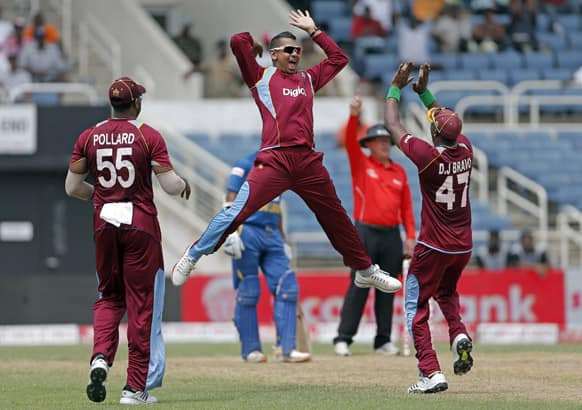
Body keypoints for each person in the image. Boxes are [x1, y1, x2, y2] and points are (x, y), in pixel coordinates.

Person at [171, 10, 402, 332]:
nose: (295, 54)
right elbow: (237, 41)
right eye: (288, 50)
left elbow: (339, 58)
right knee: (238, 211)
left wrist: (315, 31)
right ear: (275, 55)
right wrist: (254, 46)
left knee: (335, 216)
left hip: (307, 162)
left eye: (297, 50)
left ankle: (364, 269)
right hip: (275, 160)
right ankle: (194, 253)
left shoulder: (308, 79)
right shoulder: (261, 77)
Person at [65, 77, 191, 405]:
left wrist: (104, 198)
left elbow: (72, 187)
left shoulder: (88, 136)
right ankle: (134, 388)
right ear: (136, 103)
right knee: (141, 307)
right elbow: (169, 186)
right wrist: (184, 185)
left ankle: (100, 359)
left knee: (108, 296)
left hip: (104, 221)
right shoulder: (147, 135)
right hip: (140, 224)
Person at [384, 62, 474, 394]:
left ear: (434, 133)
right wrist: (423, 92)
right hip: (462, 246)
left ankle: (430, 371)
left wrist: (395, 87)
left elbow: (392, 124)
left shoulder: (427, 156)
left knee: (416, 306)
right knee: (447, 293)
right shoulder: (465, 148)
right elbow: (444, 120)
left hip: (433, 246)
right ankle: (458, 332)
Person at [333, 94, 416, 357]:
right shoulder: (361, 164)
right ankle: (343, 338)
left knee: (388, 289)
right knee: (358, 286)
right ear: (369, 144)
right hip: (365, 233)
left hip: (391, 235)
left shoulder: (399, 172)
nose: (384, 145)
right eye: (379, 141)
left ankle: (383, 340)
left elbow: (406, 209)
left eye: (387, 141)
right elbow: (348, 140)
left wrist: (410, 236)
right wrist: (354, 114)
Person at [223, 151, 311, 363]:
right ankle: (251, 350)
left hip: (272, 233)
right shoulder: (245, 163)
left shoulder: (282, 168)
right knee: (249, 289)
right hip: (248, 230)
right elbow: (230, 196)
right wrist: (230, 230)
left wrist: (283, 239)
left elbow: (276, 207)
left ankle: (286, 349)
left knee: (287, 287)